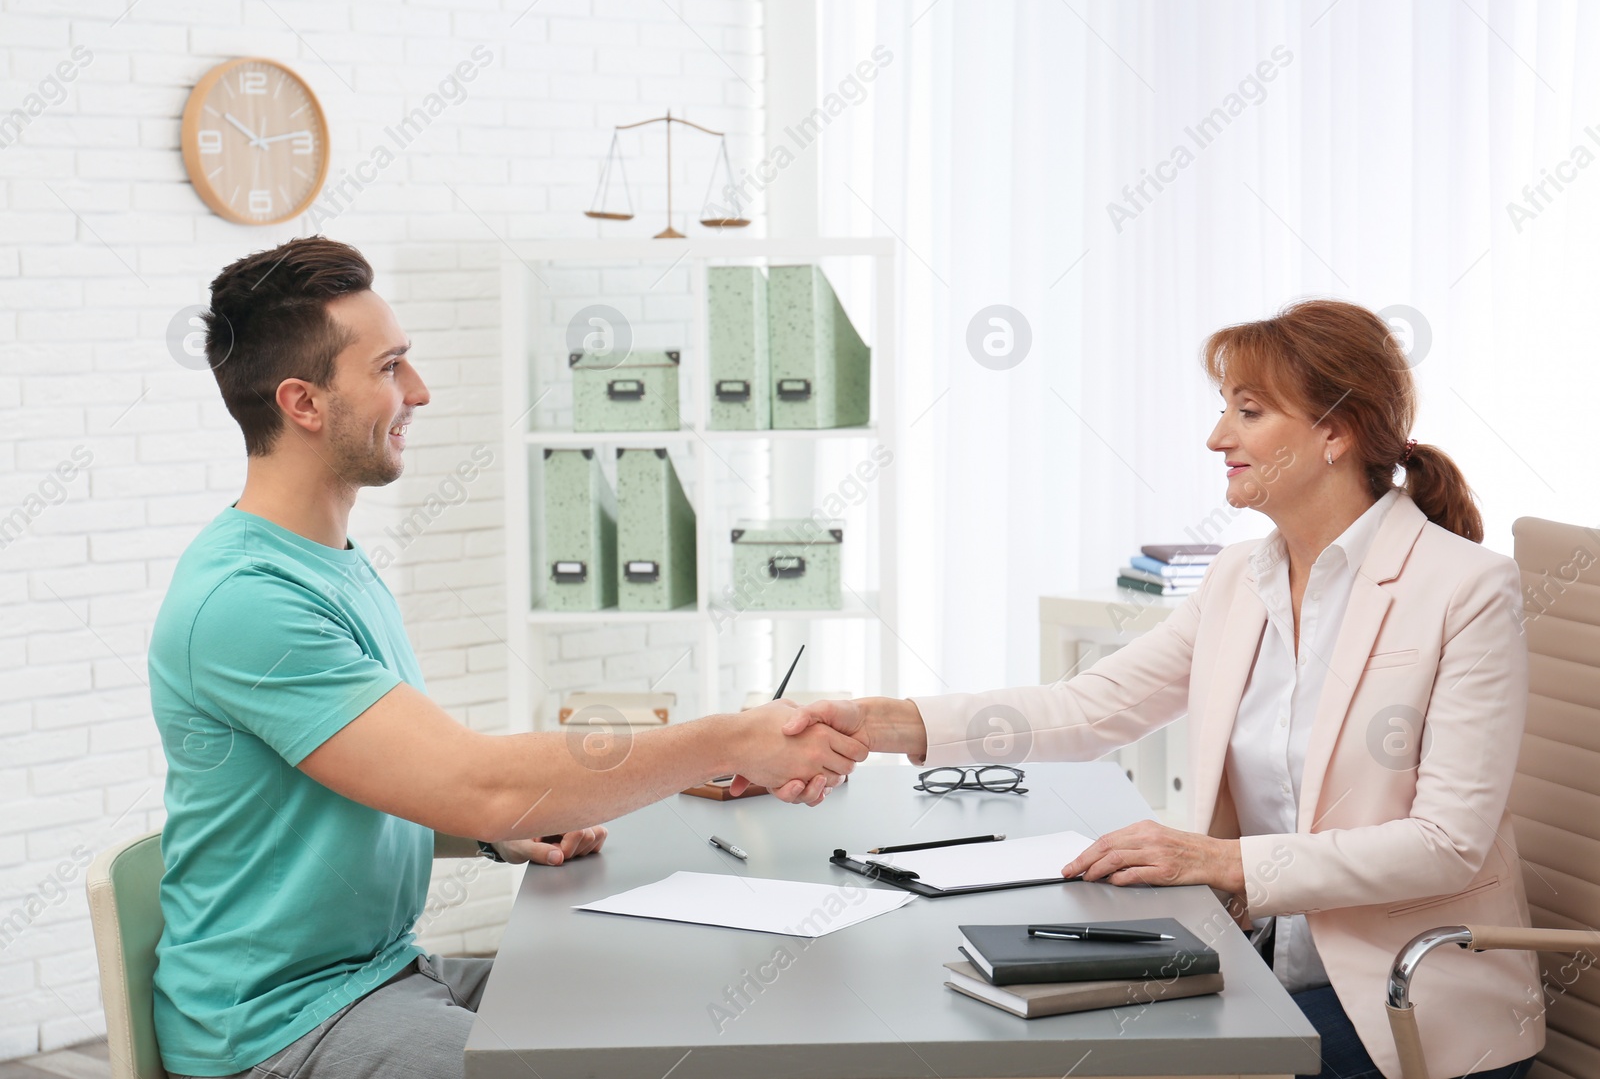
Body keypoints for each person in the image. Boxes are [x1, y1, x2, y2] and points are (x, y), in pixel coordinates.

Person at [148, 236, 867, 1079]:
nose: (418, 391)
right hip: (279, 1023)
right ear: (304, 402)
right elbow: (476, 780)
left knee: (672, 1014)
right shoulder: (245, 601)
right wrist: (731, 739)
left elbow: (388, 783)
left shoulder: (329, 562)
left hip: (377, 974)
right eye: (389, 368)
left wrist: (505, 831)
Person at [777, 300, 1538, 1079]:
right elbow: (1090, 707)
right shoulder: (1242, 577)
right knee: (1029, 1032)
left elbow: (1445, 845)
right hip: (1266, 966)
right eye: (1223, 411)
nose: (1218, 438)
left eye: (1248, 411)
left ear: (1335, 433)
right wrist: (878, 721)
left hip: (1406, 999)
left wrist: (1221, 859)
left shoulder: (1466, 588)